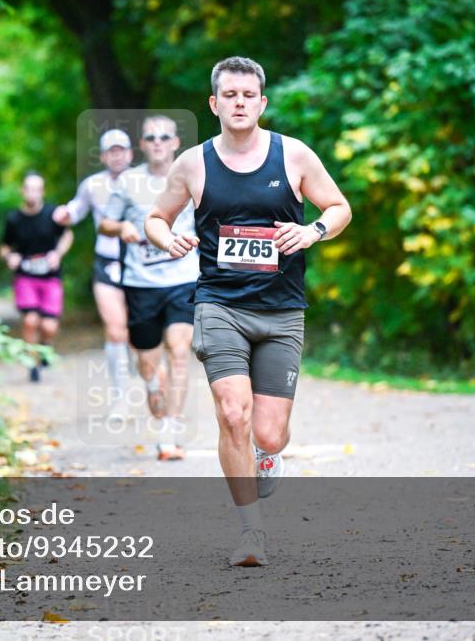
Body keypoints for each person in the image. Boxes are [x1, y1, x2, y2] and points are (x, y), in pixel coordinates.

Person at [145, 56, 352, 566]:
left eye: (248, 95)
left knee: (268, 431)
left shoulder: (294, 155)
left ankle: (268, 455)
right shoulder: (193, 163)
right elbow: (154, 216)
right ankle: (250, 533)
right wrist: (168, 238)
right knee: (231, 413)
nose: (239, 103)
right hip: (219, 305)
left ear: (262, 102)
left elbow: (339, 207)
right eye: (229, 95)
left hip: (282, 310)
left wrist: (312, 232)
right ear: (215, 104)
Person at [100, 116, 198, 461]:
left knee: (180, 351)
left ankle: (169, 434)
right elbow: (105, 223)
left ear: (175, 143)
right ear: (142, 145)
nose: (158, 142)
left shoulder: (192, 175)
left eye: (165, 137)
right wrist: (123, 225)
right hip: (141, 284)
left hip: (183, 278)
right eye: (151, 137)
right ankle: (153, 384)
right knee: (147, 360)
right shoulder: (127, 182)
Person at [54, 130, 135, 413]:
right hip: (106, 262)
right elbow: (76, 209)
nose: (117, 155)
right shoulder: (93, 185)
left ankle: (150, 384)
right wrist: (64, 213)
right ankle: (121, 397)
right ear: (103, 156)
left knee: (141, 333)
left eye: (121, 150)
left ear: (130, 154)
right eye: (111, 151)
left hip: (140, 265)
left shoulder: (143, 182)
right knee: (115, 331)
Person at [1, 172, 74, 382]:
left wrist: (57, 254)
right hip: (25, 275)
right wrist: (10, 257)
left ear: (42, 192)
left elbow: (68, 234)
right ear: (22, 191)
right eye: (28, 189)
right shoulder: (13, 218)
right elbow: (4, 247)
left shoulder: (53, 214)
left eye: (36, 189)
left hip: (50, 276)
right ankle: (32, 363)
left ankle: (45, 347)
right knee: (31, 320)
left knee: (49, 326)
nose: (32, 193)